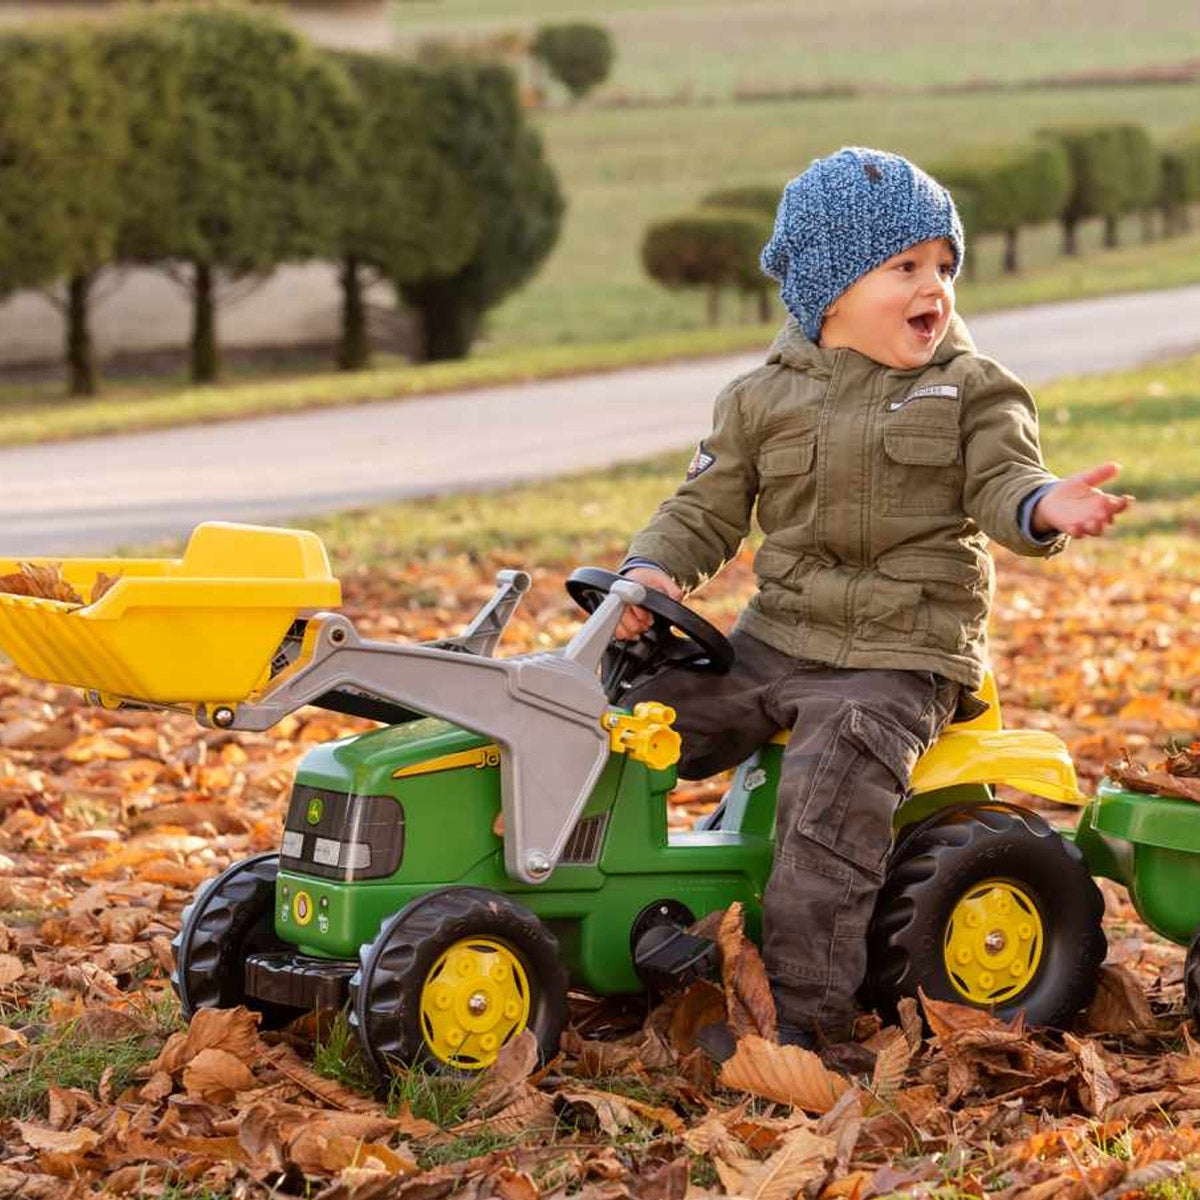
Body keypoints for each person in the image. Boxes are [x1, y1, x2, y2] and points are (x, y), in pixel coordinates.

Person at [614, 146, 1130, 1057]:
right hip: (777, 641)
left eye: (944, 266)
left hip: (901, 657)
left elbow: (1008, 478)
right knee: (628, 718)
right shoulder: (760, 399)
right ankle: (602, 907)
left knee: (829, 801)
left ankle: (807, 1018)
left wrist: (1046, 505)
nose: (934, 285)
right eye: (906, 266)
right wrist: (650, 573)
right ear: (832, 289)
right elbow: (704, 508)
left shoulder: (970, 391)